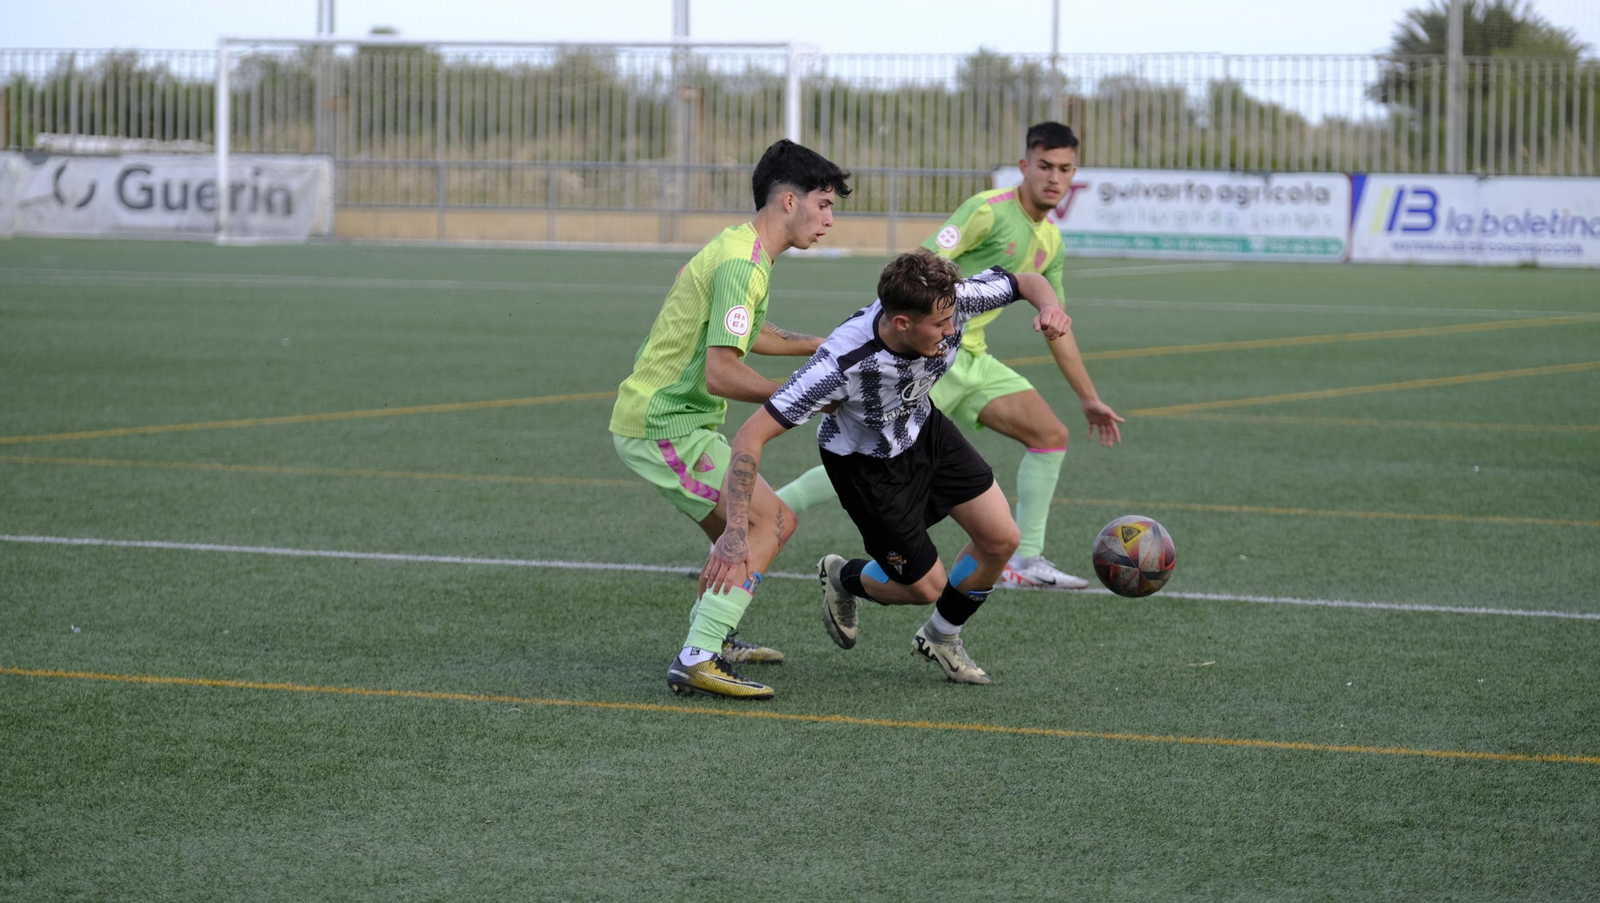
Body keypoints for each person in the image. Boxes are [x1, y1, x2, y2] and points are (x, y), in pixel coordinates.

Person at [777, 122, 1123, 591]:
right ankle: (773, 511)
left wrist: (1088, 398)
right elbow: (919, 269)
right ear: (1024, 167)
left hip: (972, 359)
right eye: (1044, 166)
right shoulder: (986, 210)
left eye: (1064, 169)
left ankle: (1025, 559)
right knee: (878, 448)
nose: (1053, 178)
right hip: (929, 355)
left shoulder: (1051, 241)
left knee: (1050, 434)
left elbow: (1054, 320)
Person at [704, 250, 1072, 689]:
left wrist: (1051, 307)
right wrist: (736, 529)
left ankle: (941, 636)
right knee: (926, 587)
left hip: (925, 431)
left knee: (1002, 539)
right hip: (867, 470)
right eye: (940, 326)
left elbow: (1026, 281)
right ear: (902, 323)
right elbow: (750, 435)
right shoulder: (841, 364)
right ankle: (844, 577)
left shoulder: (952, 299)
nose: (952, 330)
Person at [608, 139, 852, 700]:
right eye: (825, 204)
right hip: (663, 425)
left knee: (734, 532)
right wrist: (800, 396)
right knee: (772, 524)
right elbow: (721, 372)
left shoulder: (743, 250)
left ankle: (718, 636)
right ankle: (698, 655)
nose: (831, 219)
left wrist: (816, 345)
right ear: (789, 201)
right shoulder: (744, 264)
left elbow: (744, 332)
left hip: (677, 421)